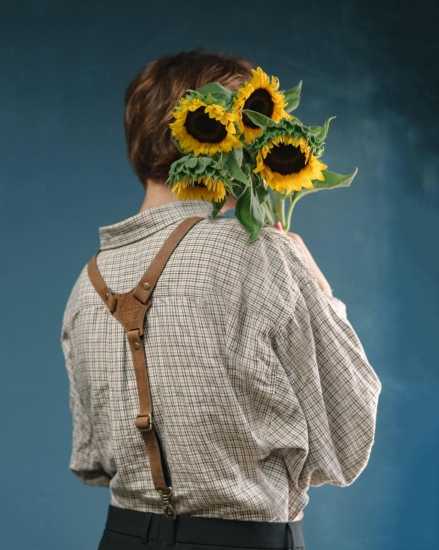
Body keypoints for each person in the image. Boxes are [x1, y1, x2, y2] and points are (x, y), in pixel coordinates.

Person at [60, 48, 382, 550]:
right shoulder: (258, 254)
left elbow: (93, 459)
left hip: (121, 537)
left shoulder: (88, 281)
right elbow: (346, 442)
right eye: (255, 125)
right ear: (219, 138)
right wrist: (323, 294)